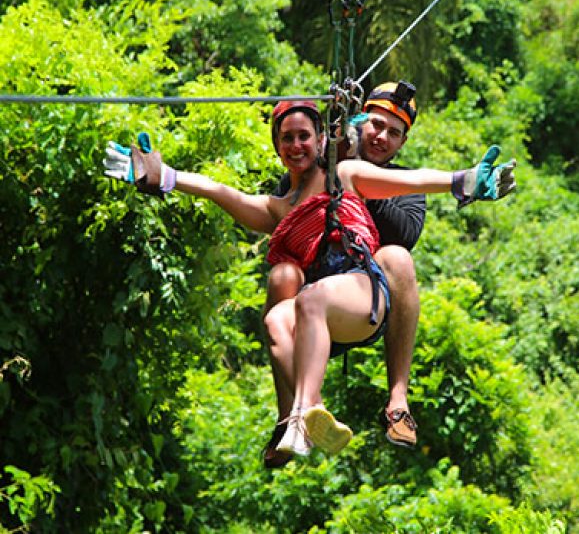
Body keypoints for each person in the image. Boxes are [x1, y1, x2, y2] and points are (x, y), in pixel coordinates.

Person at [103, 97, 516, 460]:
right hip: (319, 318)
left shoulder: (345, 175)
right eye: (288, 139)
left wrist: (463, 181)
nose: (297, 145)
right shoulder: (277, 208)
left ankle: (303, 418)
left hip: (360, 294)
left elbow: (410, 180)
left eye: (305, 136)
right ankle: (308, 414)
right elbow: (219, 191)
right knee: (275, 320)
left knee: (310, 298)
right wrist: (162, 176)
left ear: (321, 141)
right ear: (278, 149)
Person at [263, 81, 425, 469]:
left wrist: (353, 180)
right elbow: (286, 201)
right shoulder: (321, 167)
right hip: (311, 300)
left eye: (393, 133)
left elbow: (404, 231)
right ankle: (290, 416)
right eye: (375, 124)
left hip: (361, 303)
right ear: (359, 122)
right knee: (281, 275)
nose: (381, 136)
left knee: (398, 257)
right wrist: (328, 165)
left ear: (402, 144)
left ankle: (398, 402)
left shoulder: (401, 185)